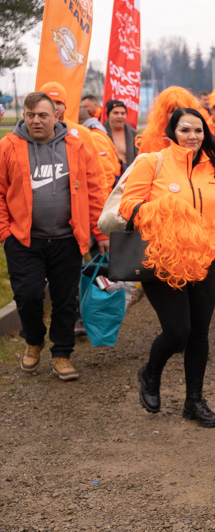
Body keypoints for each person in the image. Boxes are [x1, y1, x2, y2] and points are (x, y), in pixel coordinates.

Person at [119, 107, 215, 428]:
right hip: (162, 260)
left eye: (199, 131)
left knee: (200, 334)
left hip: (204, 261)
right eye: (185, 130)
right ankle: (150, 372)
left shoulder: (213, 167)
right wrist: (164, 208)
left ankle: (194, 401)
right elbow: (127, 206)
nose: (193, 137)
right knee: (178, 332)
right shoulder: (152, 161)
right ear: (172, 132)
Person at [0, 91, 108, 381]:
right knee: (28, 295)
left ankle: (62, 353)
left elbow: (95, 191)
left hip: (67, 239)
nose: (36, 120)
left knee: (65, 300)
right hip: (23, 240)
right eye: (30, 114)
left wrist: (99, 231)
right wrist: (5, 233)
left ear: (56, 116)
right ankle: (34, 340)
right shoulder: (8, 146)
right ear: (24, 115)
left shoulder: (76, 146)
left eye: (43, 115)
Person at [137, 87, 208, 154]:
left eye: (181, 110)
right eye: (172, 111)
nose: (177, 114)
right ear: (163, 113)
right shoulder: (150, 139)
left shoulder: (198, 138)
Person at [103, 99, 139, 170]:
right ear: (108, 115)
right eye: (115, 113)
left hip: (130, 172)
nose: (120, 116)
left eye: (123, 113)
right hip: (109, 174)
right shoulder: (101, 134)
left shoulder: (135, 135)